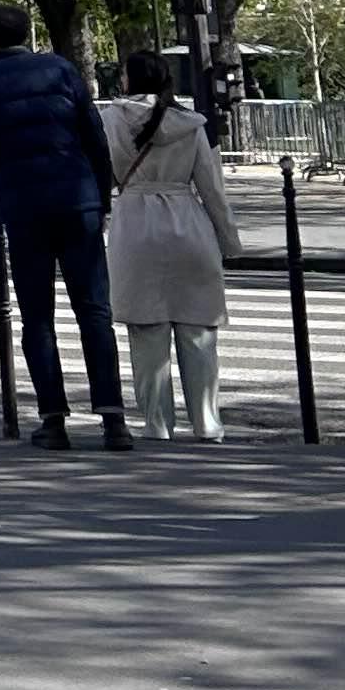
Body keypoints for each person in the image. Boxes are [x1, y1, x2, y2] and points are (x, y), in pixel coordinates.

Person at [0, 3, 132, 449]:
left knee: (37, 315)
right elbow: (94, 137)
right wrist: (100, 198)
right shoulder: (61, 70)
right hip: (77, 199)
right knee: (94, 310)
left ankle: (53, 418)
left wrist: (0, 184)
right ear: (27, 33)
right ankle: (113, 418)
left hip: (24, 206)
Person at [99, 45, 241, 441]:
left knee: (146, 334)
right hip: (188, 225)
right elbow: (212, 190)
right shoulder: (189, 124)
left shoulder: (110, 120)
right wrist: (229, 241)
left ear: (129, 79)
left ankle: (157, 424)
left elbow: (102, 177)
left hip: (135, 227)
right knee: (199, 332)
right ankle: (207, 422)